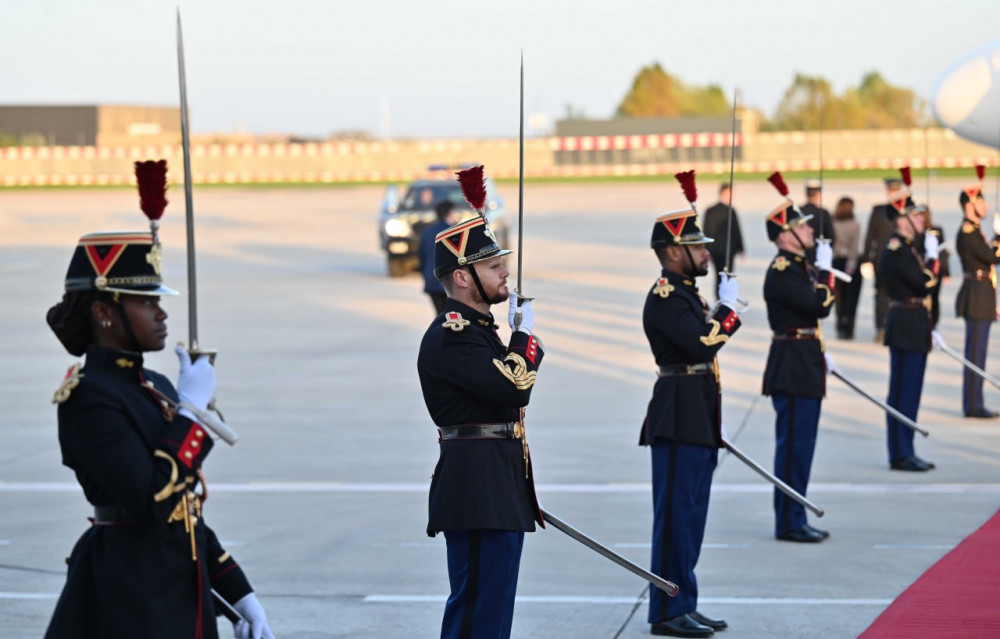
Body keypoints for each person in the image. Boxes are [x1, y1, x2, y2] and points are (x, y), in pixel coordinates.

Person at [44, 229, 273, 634]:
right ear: (103, 312)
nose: (161, 314)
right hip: (128, 595)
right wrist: (192, 413)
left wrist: (240, 596)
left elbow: (185, 512)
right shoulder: (88, 399)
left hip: (177, 591)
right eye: (147, 303)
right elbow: (152, 499)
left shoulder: (155, 387)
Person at [416, 214, 544, 639]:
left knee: (494, 608)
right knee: (476, 609)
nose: (505, 271)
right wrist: (524, 339)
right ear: (463, 277)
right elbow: (513, 388)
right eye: (493, 266)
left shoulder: (480, 331)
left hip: (497, 485)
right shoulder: (452, 334)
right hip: (476, 490)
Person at [641, 171, 741, 637]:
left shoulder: (686, 294)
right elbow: (702, 346)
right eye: (698, 248)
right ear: (674, 252)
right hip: (678, 417)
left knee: (693, 517)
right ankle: (666, 611)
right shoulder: (665, 298)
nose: (707, 254)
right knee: (675, 519)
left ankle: (686, 600)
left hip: (696, 415)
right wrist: (728, 314)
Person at [761, 188, 835, 543]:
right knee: (792, 448)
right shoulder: (782, 271)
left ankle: (796, 514)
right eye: (801, 228)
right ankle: (789, 522)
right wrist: (826, 271)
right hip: (792, 365)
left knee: (802, 446)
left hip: (804, 361)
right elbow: (819, 305)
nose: (809, 231)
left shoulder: (798, 268)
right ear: (783, 236)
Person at [880, 194, 940, 471]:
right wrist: (933, 257)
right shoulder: (897, 250)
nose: (921, 220)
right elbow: (925, 282)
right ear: (901, 220)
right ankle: (900, 452)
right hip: (906, 323)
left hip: (914, 323)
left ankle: (906, 449)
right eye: (915, 216)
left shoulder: (906, 248)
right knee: (904, 392)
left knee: (910, 391)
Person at [954, 168, 1000, 419]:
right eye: (981, 200)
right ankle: (973, 404)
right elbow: (993, 256)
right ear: (970, 204)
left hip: (982, 295)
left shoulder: (975, 230)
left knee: (979, 352)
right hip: (976, 296)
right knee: (975, 353)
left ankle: (975, 401)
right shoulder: (968, 233)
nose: (985, 205)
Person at [862, 177, 906, 341]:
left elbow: (869, 238)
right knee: (892, 294)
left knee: (881, 295)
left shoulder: (878, 210)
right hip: (896, 259)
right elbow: (870, 236)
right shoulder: (903, 211)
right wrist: (866, 260)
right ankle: (886, 327)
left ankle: (882, 326)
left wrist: (866, 258)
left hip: (883, 259)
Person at [701, 183, 744, 299]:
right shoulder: (728, 210)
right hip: (726, 251)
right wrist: (741, 248)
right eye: (731, 193)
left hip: (718, 251)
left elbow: (706, 232)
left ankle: (720, 298)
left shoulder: (710, 210)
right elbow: (736, 230)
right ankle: (725, 299)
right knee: (726, 276)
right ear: (724, 193)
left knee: (720, 276)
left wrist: (706, 250)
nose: (733, 195)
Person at [420, 200, 459, 314]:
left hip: (431, 280)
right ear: (450, 213)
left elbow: (422, 257)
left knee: (440, 314)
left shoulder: (427, 232)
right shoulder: (453, 232)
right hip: (450, 282)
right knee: (452, 317)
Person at [832, 197, 863, 339]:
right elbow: (855, 247)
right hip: (851, 262)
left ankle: (839, 324)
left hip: (836, 260)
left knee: (839, 296)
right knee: (852, 297)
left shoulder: (833, 224)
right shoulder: (855, 225)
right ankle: (849, 328)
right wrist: (851, 264)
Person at [918, 206, 950, 329]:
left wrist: (946, 272)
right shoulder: (918, 231)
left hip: (935, 269)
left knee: (934, 297)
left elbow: (943, 253)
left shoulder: (937, 230)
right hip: (923, 269)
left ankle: (933, 323)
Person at [801, 179, 836, 247]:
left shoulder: (798, 211)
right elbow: (831, 237)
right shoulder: (824, 213)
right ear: (818, 194)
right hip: (818, 251)